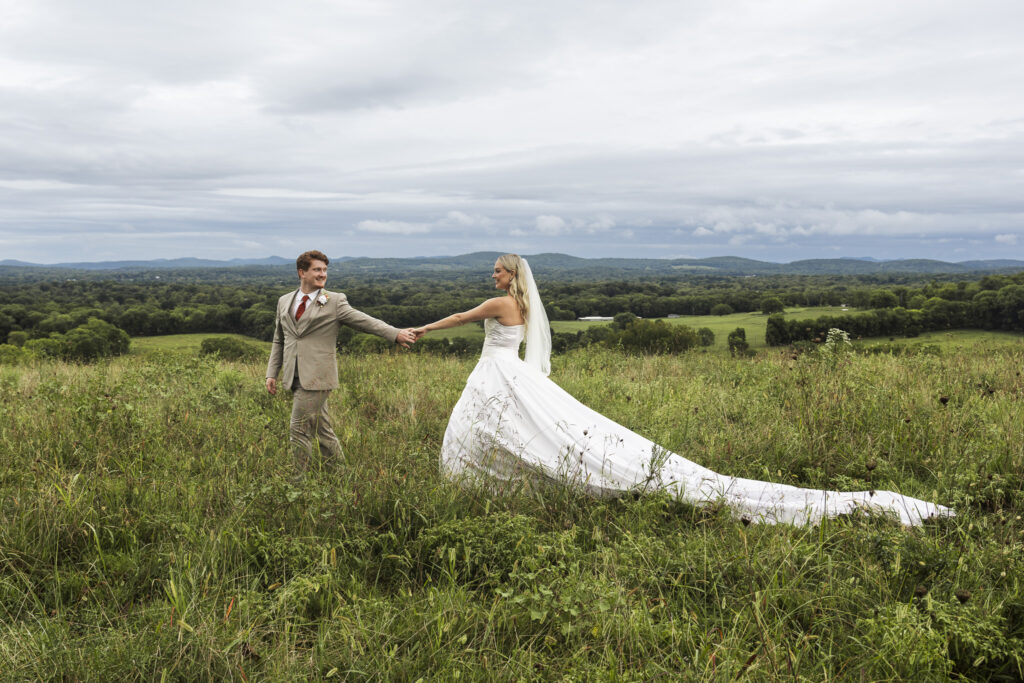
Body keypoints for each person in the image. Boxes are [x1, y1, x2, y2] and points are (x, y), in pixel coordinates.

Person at [414, 254, 952, 526]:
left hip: (499, 370)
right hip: (508, 370)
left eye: (496, 271)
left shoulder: (498, 304)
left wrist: (415, 330)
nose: (491, 277)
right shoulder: (525, 304)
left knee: (503, 424)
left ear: (511, 276)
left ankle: (500, 483)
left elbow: (462, 316)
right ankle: (501, 478)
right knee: (511, 424)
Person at [266, 250, 418, 474]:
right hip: (293, 374)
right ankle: (341, 476)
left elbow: (364, 321)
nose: (322, 274)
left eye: (325, 270)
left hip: (319, 376)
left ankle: (297, 484)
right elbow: (279, 339)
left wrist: (394, 333)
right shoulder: (284, 301)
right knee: (322, 429)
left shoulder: (334, 301)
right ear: (302, 273)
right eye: (317, 269)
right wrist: (272, 372)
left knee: (298, 429)